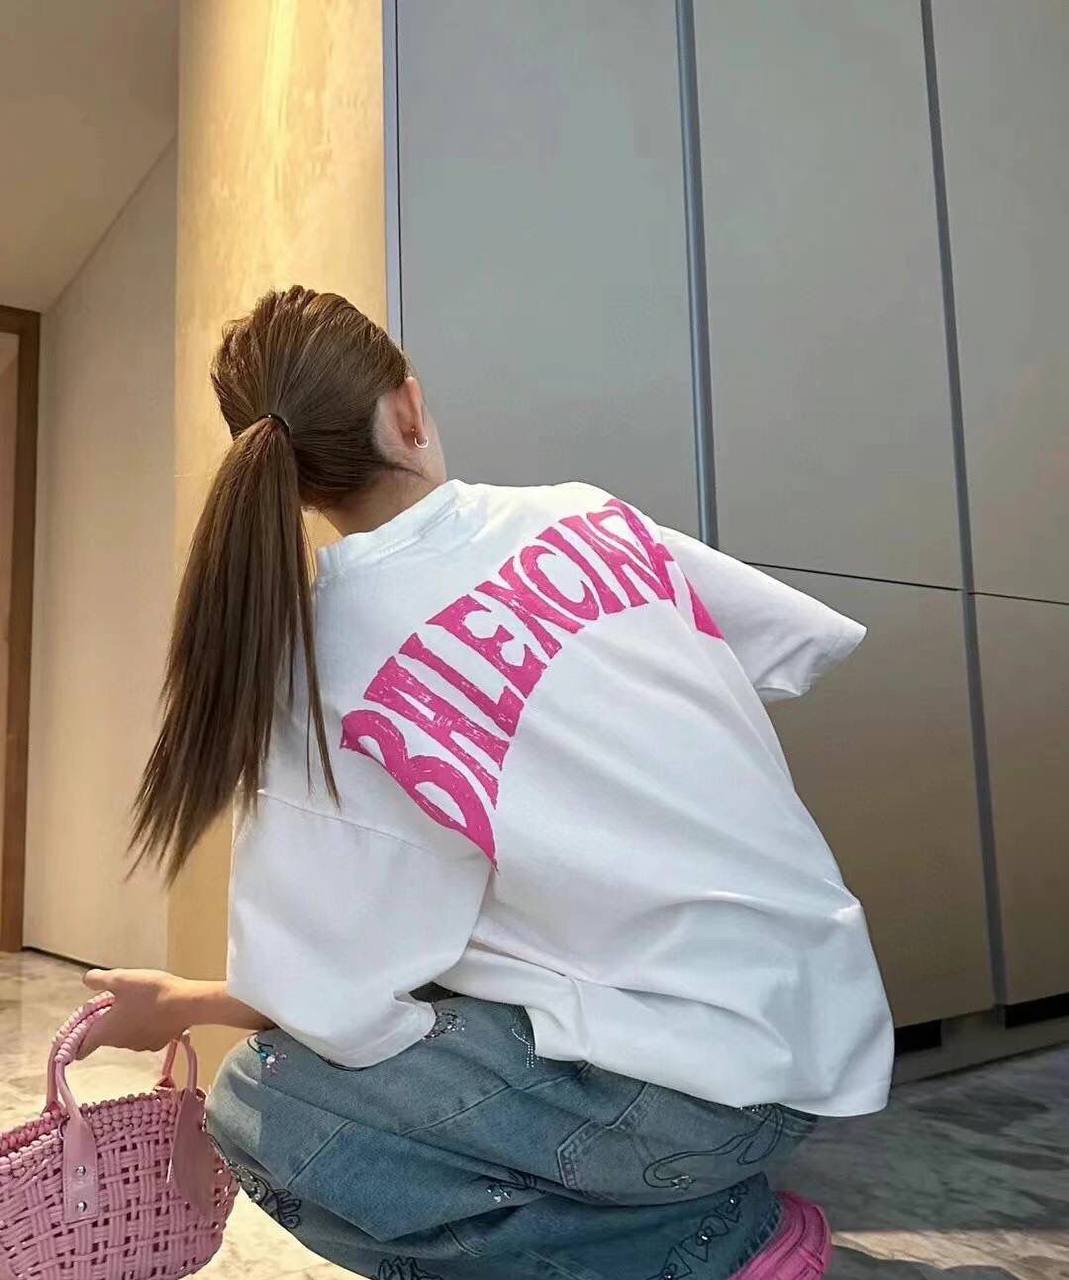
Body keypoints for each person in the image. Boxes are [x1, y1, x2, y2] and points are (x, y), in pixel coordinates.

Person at [82, 286, 894, 1280]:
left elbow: (327, 996)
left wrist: (186, 1004)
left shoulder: (323, 659)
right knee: (451, 948)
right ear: (407, 410)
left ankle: (709, 1248)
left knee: (264, 1101)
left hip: (691, 1101)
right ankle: (704, 1217)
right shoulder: (588, 515)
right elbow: (795, 645)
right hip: (828, 1031)